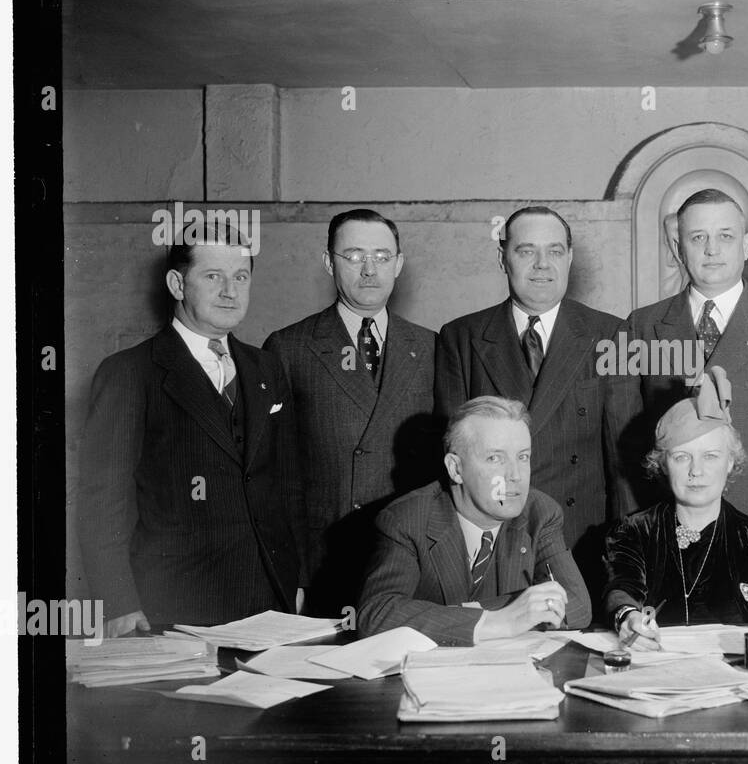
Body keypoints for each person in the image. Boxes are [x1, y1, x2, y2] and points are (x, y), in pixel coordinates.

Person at [79, 228, 303, 632]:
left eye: (241, 277)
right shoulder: (130, 372)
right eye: (213, 276)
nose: (230, 291)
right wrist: (118, 603)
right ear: (177, 284)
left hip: (270, 600)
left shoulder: (266, 368)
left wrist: (296, 578)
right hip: (173, 604)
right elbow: (102, 503)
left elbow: (286, 484)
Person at [608, 188, 748, 543]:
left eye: (725, 236)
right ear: (677, 247)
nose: (712, 249)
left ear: (746, 245)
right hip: (666, 519)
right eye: (698, 237)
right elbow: (624, 440)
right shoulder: (641, 326)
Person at [435, 206, 621, 594]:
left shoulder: (612, 334)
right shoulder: (461, 337)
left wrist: (625, 553)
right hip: (493, 542)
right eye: (525, 251)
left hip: (581, 543)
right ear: (502, 257)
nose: (542, 265)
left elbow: (623, 460)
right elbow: (450, 461)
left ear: (569, 258)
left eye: (554, 251)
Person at [264, 209, 438, 617]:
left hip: (407, 564)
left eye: (381, 257)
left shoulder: (430, 347)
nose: (368, 270)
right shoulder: (288, 348)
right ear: (329, 262)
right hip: (325, 564)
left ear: (398, 263)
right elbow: (278, 477)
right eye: (354, 256)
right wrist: (296, 573)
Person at [356, 396, 591, 645]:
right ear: (455, 469)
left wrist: (472, 613)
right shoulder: (407, 520)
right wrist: (499, 620)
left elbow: (576, 604)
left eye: (523, 457)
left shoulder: (540, 513)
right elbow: (376, 615)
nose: (515, 475)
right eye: (495, 458)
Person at [605, 367, 748, 650]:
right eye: (682, 457)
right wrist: (628, 616)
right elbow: (622, 588)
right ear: (663, 464)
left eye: (710, 456)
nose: (696, 471)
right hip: (656, 674)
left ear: (730, 462)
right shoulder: (633, 532)